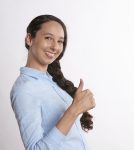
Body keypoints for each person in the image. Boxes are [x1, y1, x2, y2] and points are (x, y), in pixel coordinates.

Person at [10, 14, 96, 150]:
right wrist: (74, 110)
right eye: (48, 38)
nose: (55, 47)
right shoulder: (24, 89)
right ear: (29, 39)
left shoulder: (51, 80)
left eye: (60, 41)